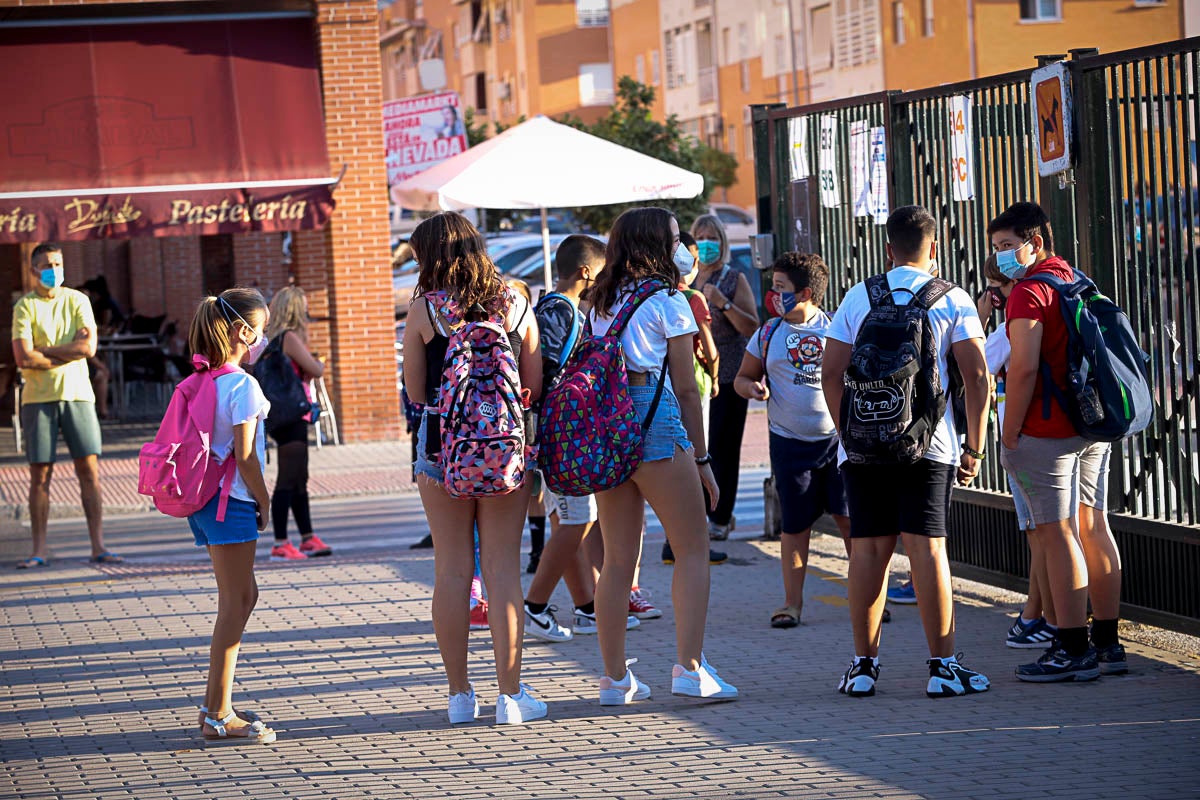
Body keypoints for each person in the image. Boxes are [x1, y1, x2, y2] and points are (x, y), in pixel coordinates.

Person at [822, 205, 991, 698]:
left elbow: (831, 373)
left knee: (869, 551)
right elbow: (977, 374)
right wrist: (975, 447)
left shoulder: (858, 295)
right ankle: (942, 667)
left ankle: (861, 667)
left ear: (889, 248)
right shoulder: (952, 298)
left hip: (860, 449)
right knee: (927, 549)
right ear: (933, 249)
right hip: (930, 444)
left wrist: (850, 431)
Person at [586, 206, 737, 705]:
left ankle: (614, 680)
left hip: (608, 430)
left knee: (617, 560)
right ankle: (690, 669)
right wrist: (701, 458)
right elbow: (686, 389)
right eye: (675, 237)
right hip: (654, 425)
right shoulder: (669, 300)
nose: (684, 247)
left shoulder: (600, 301)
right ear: (655, 244)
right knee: (692, 548)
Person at [403, 211, 548, 725]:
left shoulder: (424, 309)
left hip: (442, 447)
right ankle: (511, 695)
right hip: (505, 447)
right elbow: (533, 381)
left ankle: (460, 697)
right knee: (504, 570)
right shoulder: (515, 300)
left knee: (452, 569)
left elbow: (417, 393)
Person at [990, 201, 1123, 682]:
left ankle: (1071, 647)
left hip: (1045, 430)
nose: (1003, 256)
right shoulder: (1073, 279)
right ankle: (1108, 642)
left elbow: (1022, 367)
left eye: (1008, 246)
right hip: (1090, 424)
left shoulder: (1028, 293)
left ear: (1035, 242)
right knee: (1093, 526)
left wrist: (1009, 433)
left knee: (1057, 533)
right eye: (997, 249)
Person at [522, 235, 642, 641]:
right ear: (586, 272)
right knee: (579, 520)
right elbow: (543, 368)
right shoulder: (560, 310)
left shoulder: (558, 308)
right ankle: (534, 606)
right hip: (564, 435)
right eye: (604, 270)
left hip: (556, 434)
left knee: (569, 521)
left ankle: (587, 608)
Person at [735, 252, 850, 628]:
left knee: (852, 523)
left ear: (805, 294)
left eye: (781, 288)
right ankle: (791, 604)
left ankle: (869, 597)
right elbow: (741, 377)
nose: (773, 295)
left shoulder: (837, 329)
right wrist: (750, 387)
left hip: (837, 444)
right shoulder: (768, 333)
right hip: (789, 445)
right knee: (795, 528)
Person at [187, 287, 277, 744]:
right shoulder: (242, 385)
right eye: (261, 329)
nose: (265, 337)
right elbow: (246, 457)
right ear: (243, 331)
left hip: (205, 504)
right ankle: (219, 713)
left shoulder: (207, 379)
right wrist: (265, 499)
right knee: (234, 603)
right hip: (233, 501)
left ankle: (214, 705)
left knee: (243, 596)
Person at [11, 245, 119, 568]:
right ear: (33, 271)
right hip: (38, 399)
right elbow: (23, 357)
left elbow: (88, 347)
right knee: (40, 475)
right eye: (46, 265)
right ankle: (39, 549)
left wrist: (46, 350)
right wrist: (66, 351)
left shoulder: (78, 300)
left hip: (78, 395)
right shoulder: (24, 307)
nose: (54, 270)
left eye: (57, 263)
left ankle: (99, 546)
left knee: (89, 471)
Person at [974, 256, 1059, 650]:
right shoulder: (1052, 304)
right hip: (1059, 431)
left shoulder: (1011, 329)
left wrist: (980, 313)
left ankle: (1043, 617)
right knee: (1052, 531)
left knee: (1040, 532)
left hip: (1026, 437)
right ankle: (1043, 614)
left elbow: (973, 365)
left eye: (997, 289)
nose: (994, 297)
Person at [691, 213, 759, 542]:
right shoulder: (684, 281)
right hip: (690, 377)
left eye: (712, 237)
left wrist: (724, 303)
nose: (706, 244)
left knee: (723, 448)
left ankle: (720, 517)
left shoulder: (733, 278)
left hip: (730, 375)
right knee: (693, 449)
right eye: (700, 237)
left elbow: (752, 327)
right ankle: (695, 514)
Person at [262, 286, 333, 561]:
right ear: (294, 309)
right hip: (291, 415)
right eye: (303, 307)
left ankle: (307, 537)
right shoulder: (289, 337)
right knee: (288, 478)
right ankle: (280, 542)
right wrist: (318, 362)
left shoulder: (275, 339)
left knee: (299, 478)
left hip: (286, 414)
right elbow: (315, 370)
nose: (307, 312)